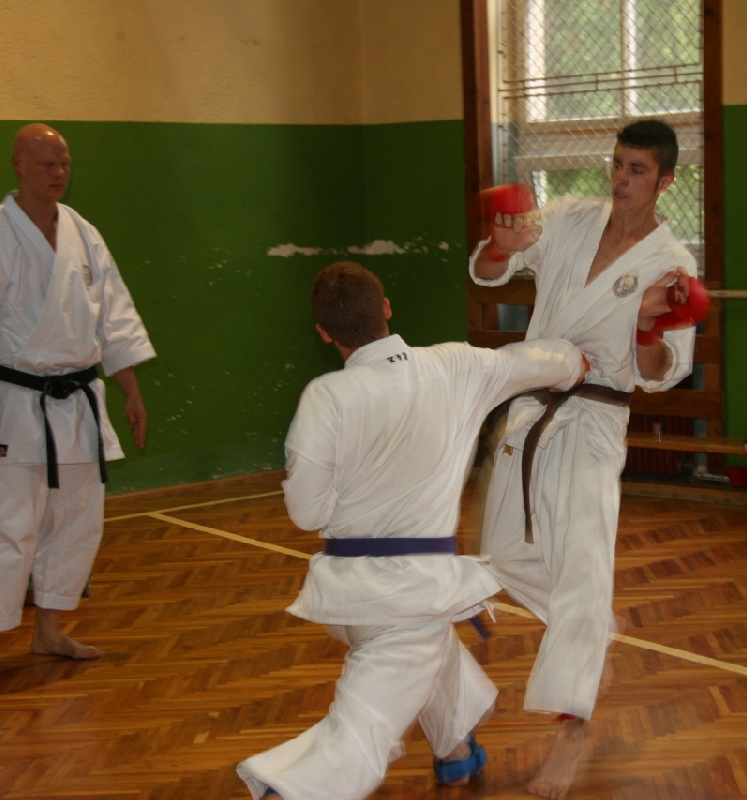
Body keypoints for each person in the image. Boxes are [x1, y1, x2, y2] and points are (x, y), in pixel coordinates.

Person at [236, 261, 587, 800]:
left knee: (428, 646)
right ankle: (291, 789)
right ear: (386, 308)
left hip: (344, 597)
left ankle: (456, 753)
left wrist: (357, 510)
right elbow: (531, 359)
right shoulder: (455, 366)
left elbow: (306, 513)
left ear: (324, 332)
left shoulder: (324, 396)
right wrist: (574, 362)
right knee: (364, 725)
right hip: (409, 596)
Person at [469, 120, 697, 799]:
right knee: (500, 554)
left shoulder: (672, 265)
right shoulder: (571, 218)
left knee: (581, 571)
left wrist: (649, 325)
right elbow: (492, 270)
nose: (621, 180)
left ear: (665, 181)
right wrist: (500, 246)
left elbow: (659, 374)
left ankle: (571, 733)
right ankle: (592, 629)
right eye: (618, 164)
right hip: (529, 411)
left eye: (637, 170)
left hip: (595, 420)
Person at [0, 123, 155, 692]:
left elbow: (115, 314)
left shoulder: (83, 232)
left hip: (80, 403)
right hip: (18, 402)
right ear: (19, 165)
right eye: (47, 164)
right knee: (7, 527)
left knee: (75, 523)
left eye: (64, 163)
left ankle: (49, 630)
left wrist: (130, 388)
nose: (59, 173)